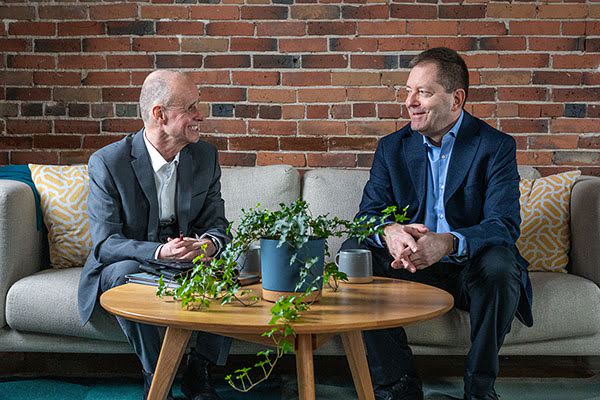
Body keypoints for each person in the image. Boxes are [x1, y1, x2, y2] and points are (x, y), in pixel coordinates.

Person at [343, 47, 533, 400]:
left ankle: (479, 390)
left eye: (423, 92)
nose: (409, 102)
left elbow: (503, 224)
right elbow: (366, 216)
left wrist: (448, 241)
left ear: (456, 99)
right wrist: (391, 231)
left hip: (468, 268)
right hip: (410, 265)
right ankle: (398, 385)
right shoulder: (392, 147)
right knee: (354, 253)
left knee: (501, 263)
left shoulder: (494, 146)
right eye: (407, 92)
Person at [78, 70, 232, 400]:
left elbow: (218, 225)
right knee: (122, 274)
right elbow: (106, 244)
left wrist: (207, 245)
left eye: (198, 105)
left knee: (231, 269)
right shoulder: (108, 162)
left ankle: (200, 370)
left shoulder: (205, 156)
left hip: (185, 263)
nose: (200, 115)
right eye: (191, 107)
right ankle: (156, 376)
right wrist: (161, 253)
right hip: (134, 262)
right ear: (159, 114)